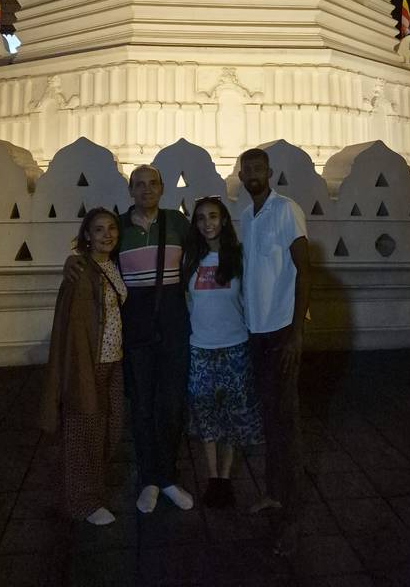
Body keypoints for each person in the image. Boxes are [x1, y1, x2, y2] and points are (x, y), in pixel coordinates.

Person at [63, 164, 193, 515]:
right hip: (135, 330)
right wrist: (70, 262)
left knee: (170, 404)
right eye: (139, 185)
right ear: (130, 191)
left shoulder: (178, 223)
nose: (146, 190)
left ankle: (167, 476)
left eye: (153, 184)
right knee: (141, 406)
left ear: (162, 188)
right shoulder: (117, 227)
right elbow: (93, 256)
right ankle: (149, 478)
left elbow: (204, 257)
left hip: (173, 325)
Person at [238, 147, 311, 556]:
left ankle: (292, 520)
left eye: (258, 168)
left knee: (287, 425)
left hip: (282, 331)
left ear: (270, 172)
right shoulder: (247, 216)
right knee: (270, 419)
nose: (253, 174)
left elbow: (305, 268)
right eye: (246, 168)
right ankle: (274, 495)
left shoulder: (286, 210)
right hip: (257, 333)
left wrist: (297, 333)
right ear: (240, 174)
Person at [40, 207, 127, 526]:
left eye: (112, 229)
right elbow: (74, 329)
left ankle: (93, 490)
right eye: (99, 229)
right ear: (86, 236)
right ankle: (82, 501)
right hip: (88, 364)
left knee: (109, 429)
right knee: (83, 432)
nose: (107, 235)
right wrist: (81, 372)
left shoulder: (112, 266)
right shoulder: (80, 271)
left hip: (113, 360)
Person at [183, 196, 263, 508]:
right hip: (200, 349)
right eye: (201, 218)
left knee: (231, 415)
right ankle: (212, 476)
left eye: (213, 216)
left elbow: (250, 298)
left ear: (225, 220)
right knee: (206, 416)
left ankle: (225, 477)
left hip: (234, 347)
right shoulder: (191, 260)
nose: (208, 224)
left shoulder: (238, 258)